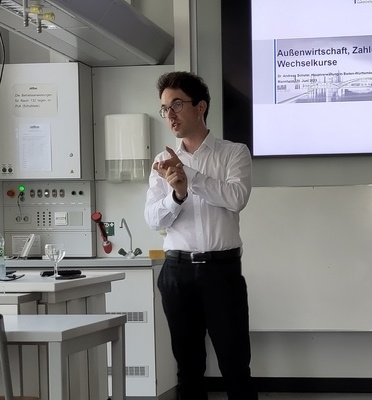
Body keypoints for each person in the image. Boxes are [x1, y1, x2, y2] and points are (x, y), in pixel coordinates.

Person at [144, 71, 257, 400]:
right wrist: (177, 195)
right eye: (165, 108)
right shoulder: (161, 162)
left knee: (235, 365)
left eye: (177, 105)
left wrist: (189, 175)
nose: (170, 115)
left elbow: (236, 198)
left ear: (201, 106)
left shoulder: (233, 153)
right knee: (188, 367)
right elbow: (152, 218)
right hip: (176, 272)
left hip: (221, 271)